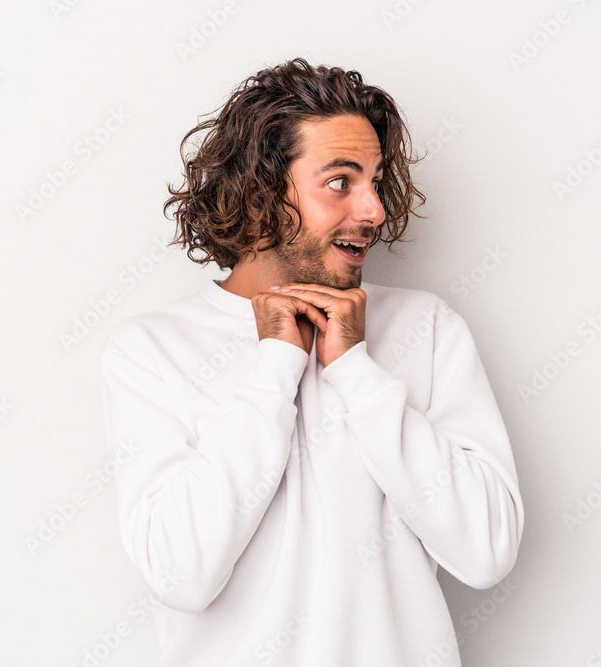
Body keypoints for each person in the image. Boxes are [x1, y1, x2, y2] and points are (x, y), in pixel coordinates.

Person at [99, 57, 523, 666]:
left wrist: (357, 369)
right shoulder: (151, 350)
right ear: (261, 194)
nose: (374, 210)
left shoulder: (427, 330)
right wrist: (275, 364)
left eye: (376, 181)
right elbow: (181, 574)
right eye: (341, 182)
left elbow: (486, 550)